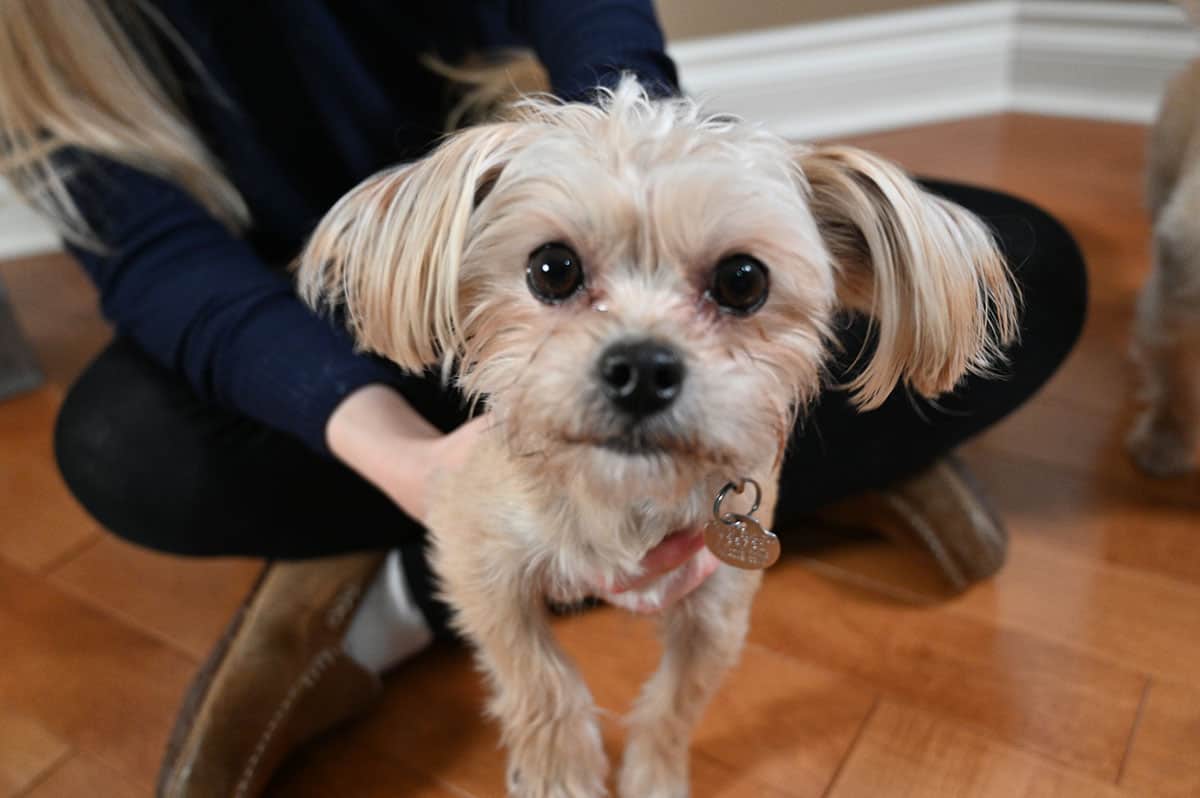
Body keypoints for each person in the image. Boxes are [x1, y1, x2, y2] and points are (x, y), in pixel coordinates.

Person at [0, 2, 1087, 796]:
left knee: (1035, 264)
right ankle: (851, 461)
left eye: (737, 285)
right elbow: (157, 265)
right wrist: (420, 469)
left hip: (545, 202)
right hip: (358, 300)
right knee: (115, 445)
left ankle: (753, 484)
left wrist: (642, 164)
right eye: (566, 275)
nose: (644, 354)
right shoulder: (43, 39)